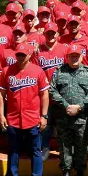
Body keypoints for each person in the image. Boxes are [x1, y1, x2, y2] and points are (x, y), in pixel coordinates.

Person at [0, 43, 50, 176]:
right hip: (13, 118)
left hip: (32, 118)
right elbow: (1, 94)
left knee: (35, 150)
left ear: (29, 55)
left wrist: (44, 116)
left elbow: (44, 95)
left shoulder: (38, 71)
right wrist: (1, 115)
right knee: (13, 150)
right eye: (18, 55)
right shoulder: (7, 71)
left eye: (23, 55)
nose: (20, 57)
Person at [48, 44, 88, 176]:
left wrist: (79, 107)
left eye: (77, 56)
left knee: (81, 147)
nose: (74, 58)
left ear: (81, 57)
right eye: (72, 56)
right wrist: (66, 105)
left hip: (82, 118)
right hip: (63, 117)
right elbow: (52, 90)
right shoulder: (59, 71)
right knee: (65, 147)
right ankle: (66, 175)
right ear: (67, 57)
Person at [34, 24, 68, 158]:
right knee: (45, 122)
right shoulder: (39, 50)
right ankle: (45, 147)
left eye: (53, 33)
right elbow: (35, 71)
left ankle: (64, 148)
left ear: (57, 34)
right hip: (45, 93)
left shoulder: (64, 49)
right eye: (48, 33)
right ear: (44, 34)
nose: (51, 35)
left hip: (61, 93)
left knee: (62, 122)